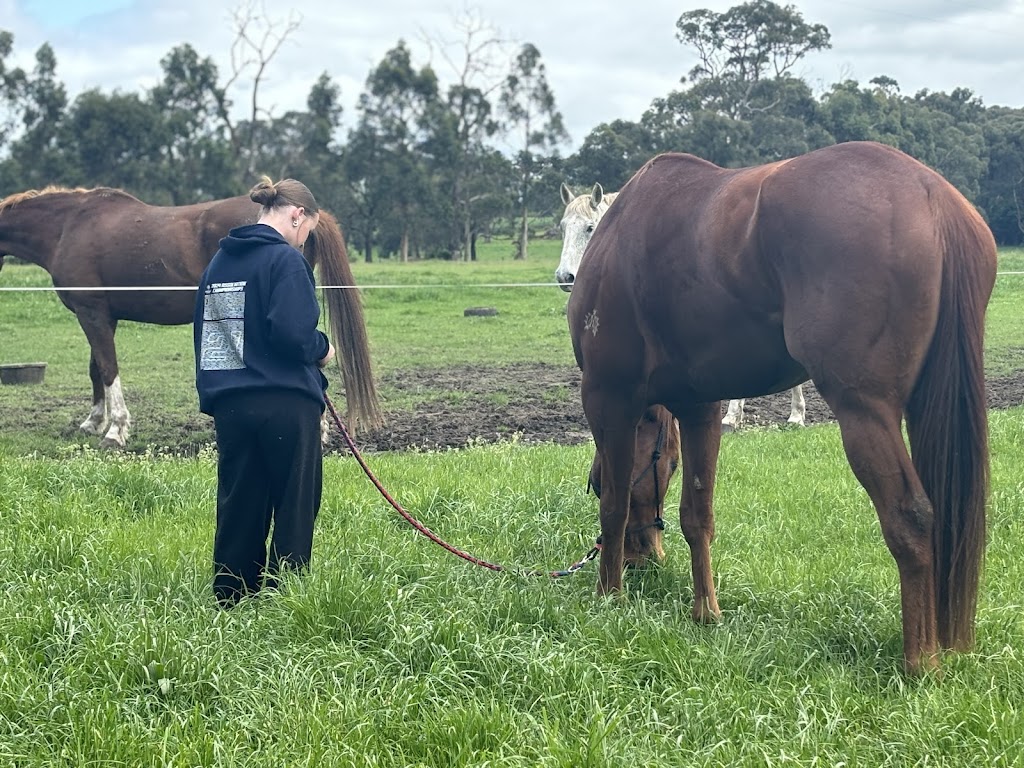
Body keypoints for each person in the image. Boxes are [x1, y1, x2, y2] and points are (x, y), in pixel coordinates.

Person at [193, 176, 336, 607]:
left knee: (240, 502)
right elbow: (292, 336)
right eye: (307, 230)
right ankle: (284, 599)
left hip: (232, 404)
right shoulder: (286, 262)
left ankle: (232, 598)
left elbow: (211, 340)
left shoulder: (218, 265)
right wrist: (323, 348)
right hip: (285, 403)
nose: (303, 241)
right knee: (293, 503)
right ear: (297, 215)